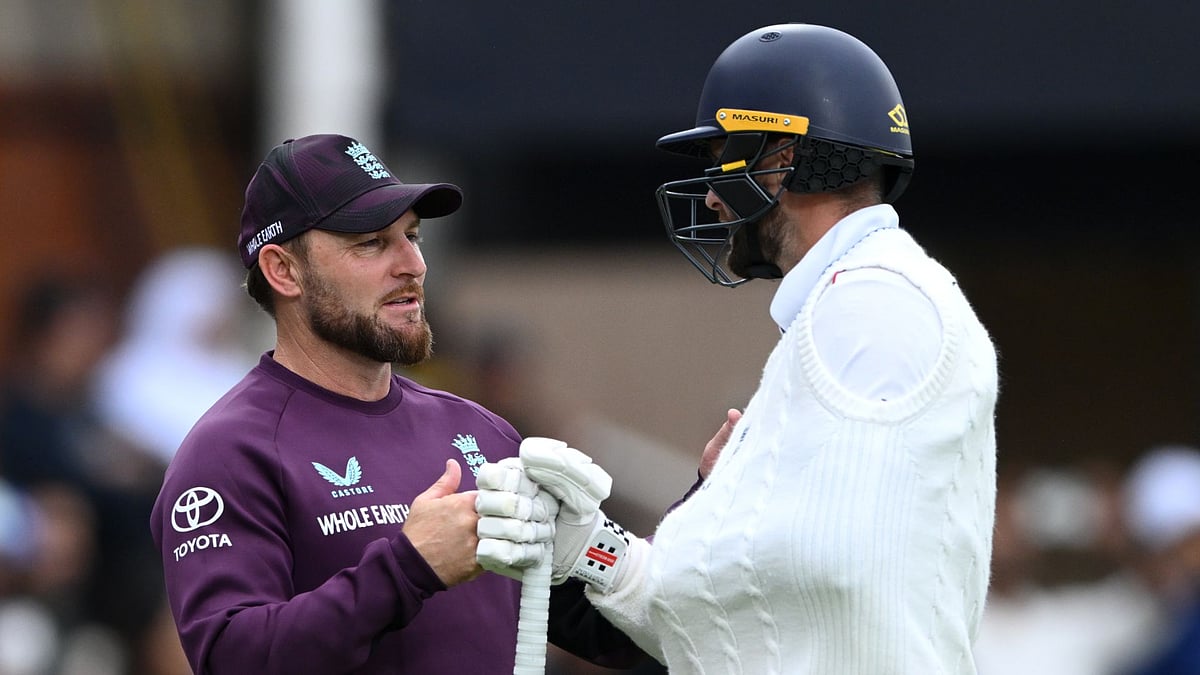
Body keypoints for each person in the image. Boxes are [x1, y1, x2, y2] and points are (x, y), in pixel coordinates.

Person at [477, 23, 999, 673]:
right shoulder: (856, 295)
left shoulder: (875, 299)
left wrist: (604, 547)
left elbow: (829, 563)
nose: (715, 195)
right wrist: (602, 547)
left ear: (782, 157)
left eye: (722, 157)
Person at [149, 134, 649, 674]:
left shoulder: (482, 433)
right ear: (283, 271)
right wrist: (408, 568)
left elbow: (612, 633)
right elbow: (232, 659)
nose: (413, 264)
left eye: (412, 236)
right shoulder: (230, 451)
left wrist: (708, 510)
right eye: (370, 243)